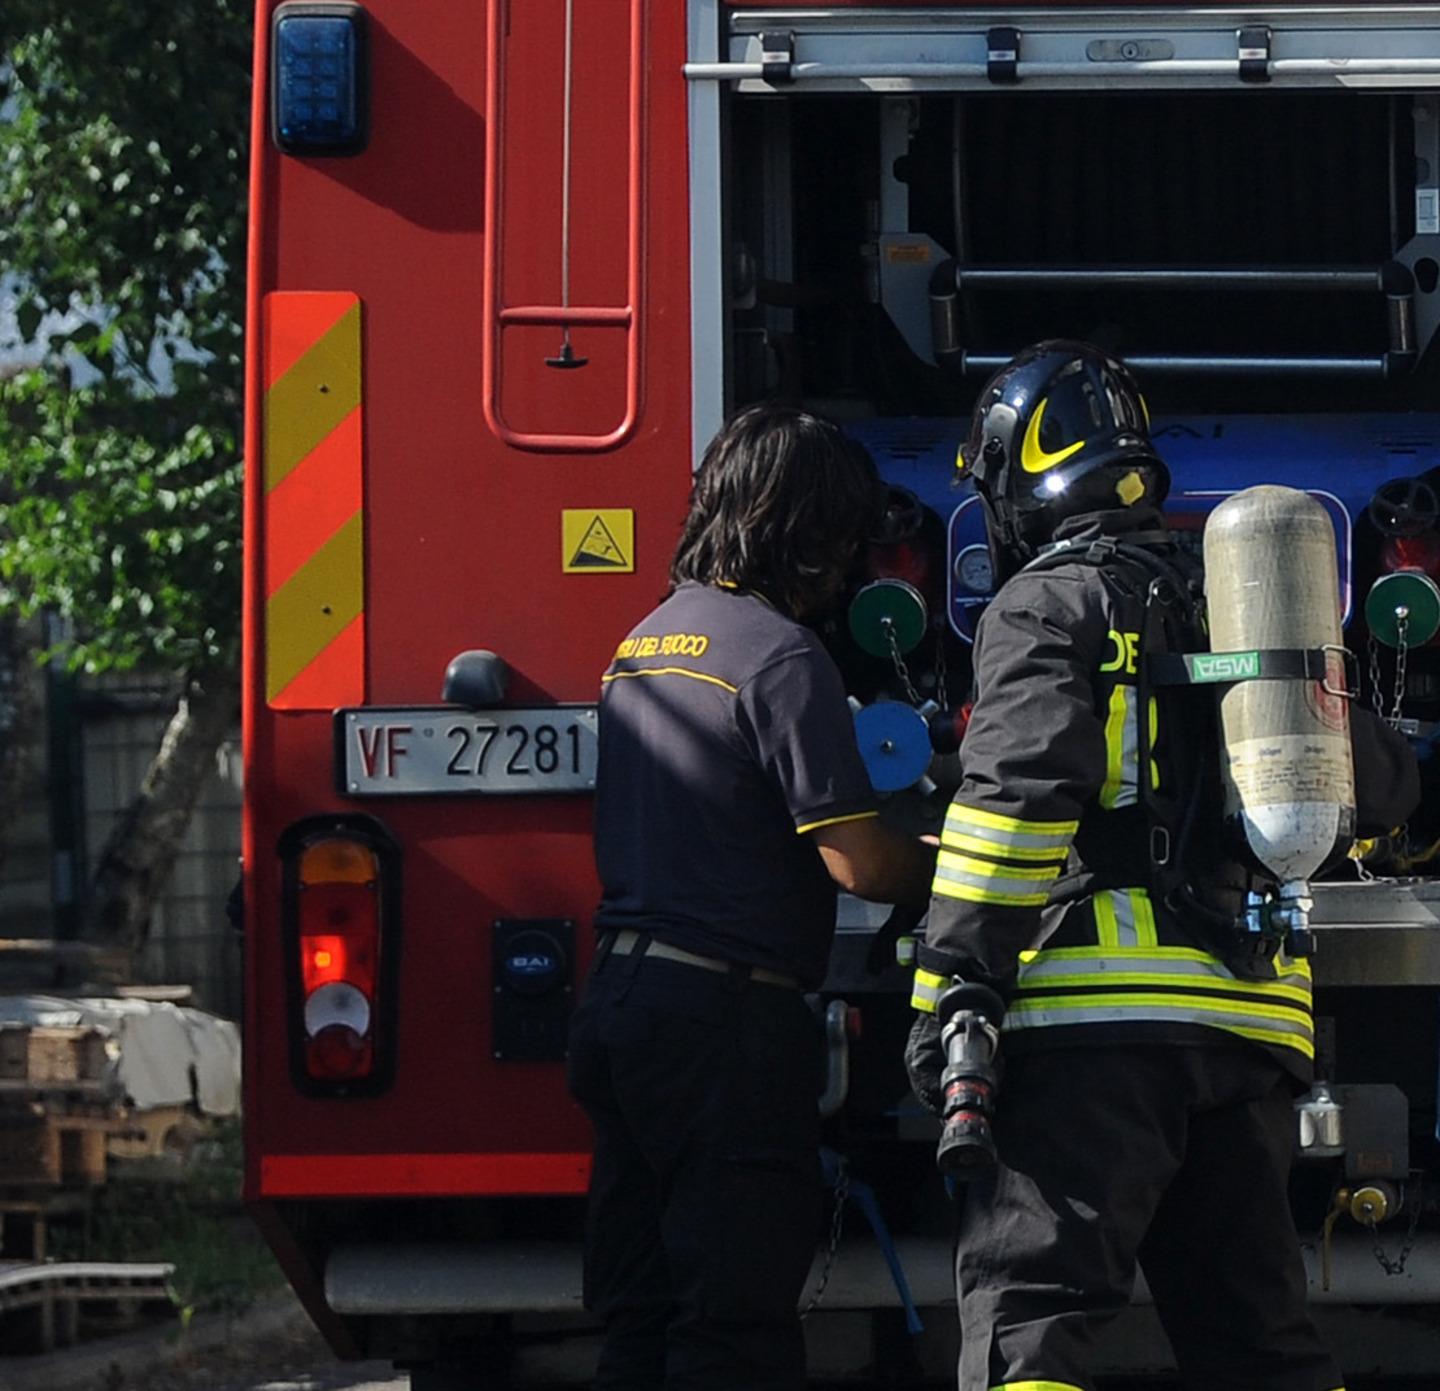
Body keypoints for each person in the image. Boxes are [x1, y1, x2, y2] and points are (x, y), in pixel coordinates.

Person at [903, 340, 1419, 1391]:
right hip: (1247, 1038)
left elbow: (1015, 799)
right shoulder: (1236, 602)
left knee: (1030, 1326)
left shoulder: (1046, 606)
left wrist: (951, 989)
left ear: (1019, 476)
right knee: (1257, 1341)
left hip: (1090, 1034)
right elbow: (1376, 776)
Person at [568, 402, 937, 1391]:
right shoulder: (779, 656)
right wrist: (958, 861)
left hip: (620, 1009)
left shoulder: (647, 640)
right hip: (722, 1028)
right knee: (734, 1329)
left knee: (642, 1320)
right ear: (806, 529)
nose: (854, 563)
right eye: (845, 536)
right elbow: (857, 860)